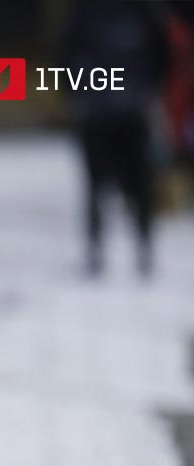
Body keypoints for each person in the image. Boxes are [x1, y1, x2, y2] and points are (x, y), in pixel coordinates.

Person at [60, 1, 171, 278]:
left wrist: (143, 89)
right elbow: (63, 56)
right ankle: (96, 250)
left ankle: (144, 247)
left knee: (138, 185)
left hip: (130, 114)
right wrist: (82, 90)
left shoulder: (141, 11)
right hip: (97, 115)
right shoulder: (85, 12)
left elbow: (163, 55)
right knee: (96, 187)